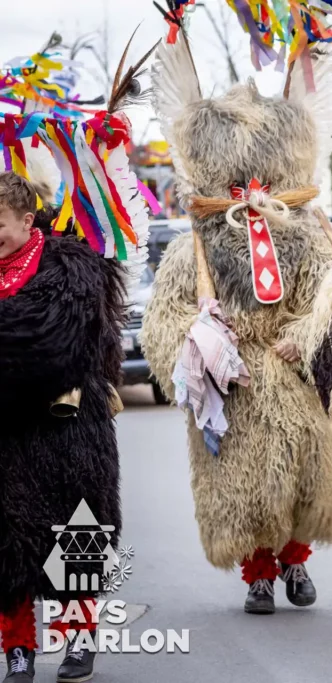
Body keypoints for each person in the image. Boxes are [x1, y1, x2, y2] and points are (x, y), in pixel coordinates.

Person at [143, 35, 332, 616]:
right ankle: (259, 575)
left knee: (300, 476)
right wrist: (199, 345)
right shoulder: (196, 243)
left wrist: (305, 338)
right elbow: (165, 315)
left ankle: (295, 560)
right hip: (234, 385)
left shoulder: (307, 237)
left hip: (291, 377)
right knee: (242, 485)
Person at [0, 172, 125, 683]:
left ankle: (79, 637)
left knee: (76, 534)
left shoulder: (70, 265)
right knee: (6, 545)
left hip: (68, 430)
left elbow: (53, 345)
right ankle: (18, 649)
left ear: (27, 220)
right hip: (7, 434)